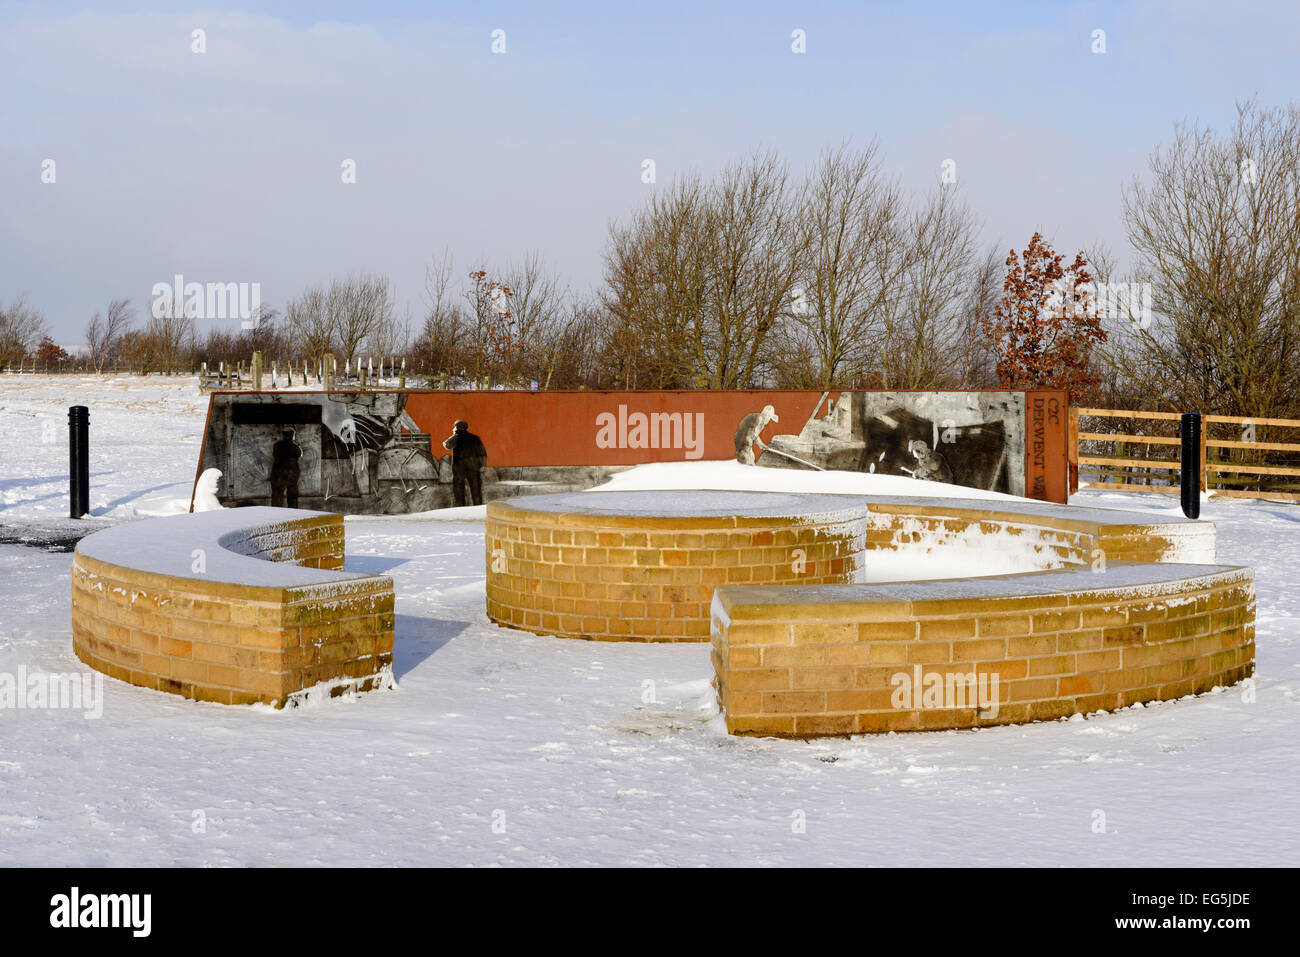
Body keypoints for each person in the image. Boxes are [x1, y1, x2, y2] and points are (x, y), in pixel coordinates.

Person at [442, 419, 488, 507]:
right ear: (465, 428)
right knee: (476, 490)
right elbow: (482, 453)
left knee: (459, 490)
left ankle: (460, 509)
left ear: (456, 427)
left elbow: (446, 445)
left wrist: (453, 434)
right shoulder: (475, 438)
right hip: (474, 467)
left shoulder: (456, 437)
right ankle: (478, 507)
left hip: (459, 468)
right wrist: (482, 465)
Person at [270, 428, 302, 508]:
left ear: (283, 436)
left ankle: (275, 514)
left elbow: (275, 455)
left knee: (277, 496)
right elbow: (299, 455)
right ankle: (293, 514)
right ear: (292, 436)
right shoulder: (295, 447)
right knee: (292, 497)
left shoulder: (276, 445)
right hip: (291, 474)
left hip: (278, 474)